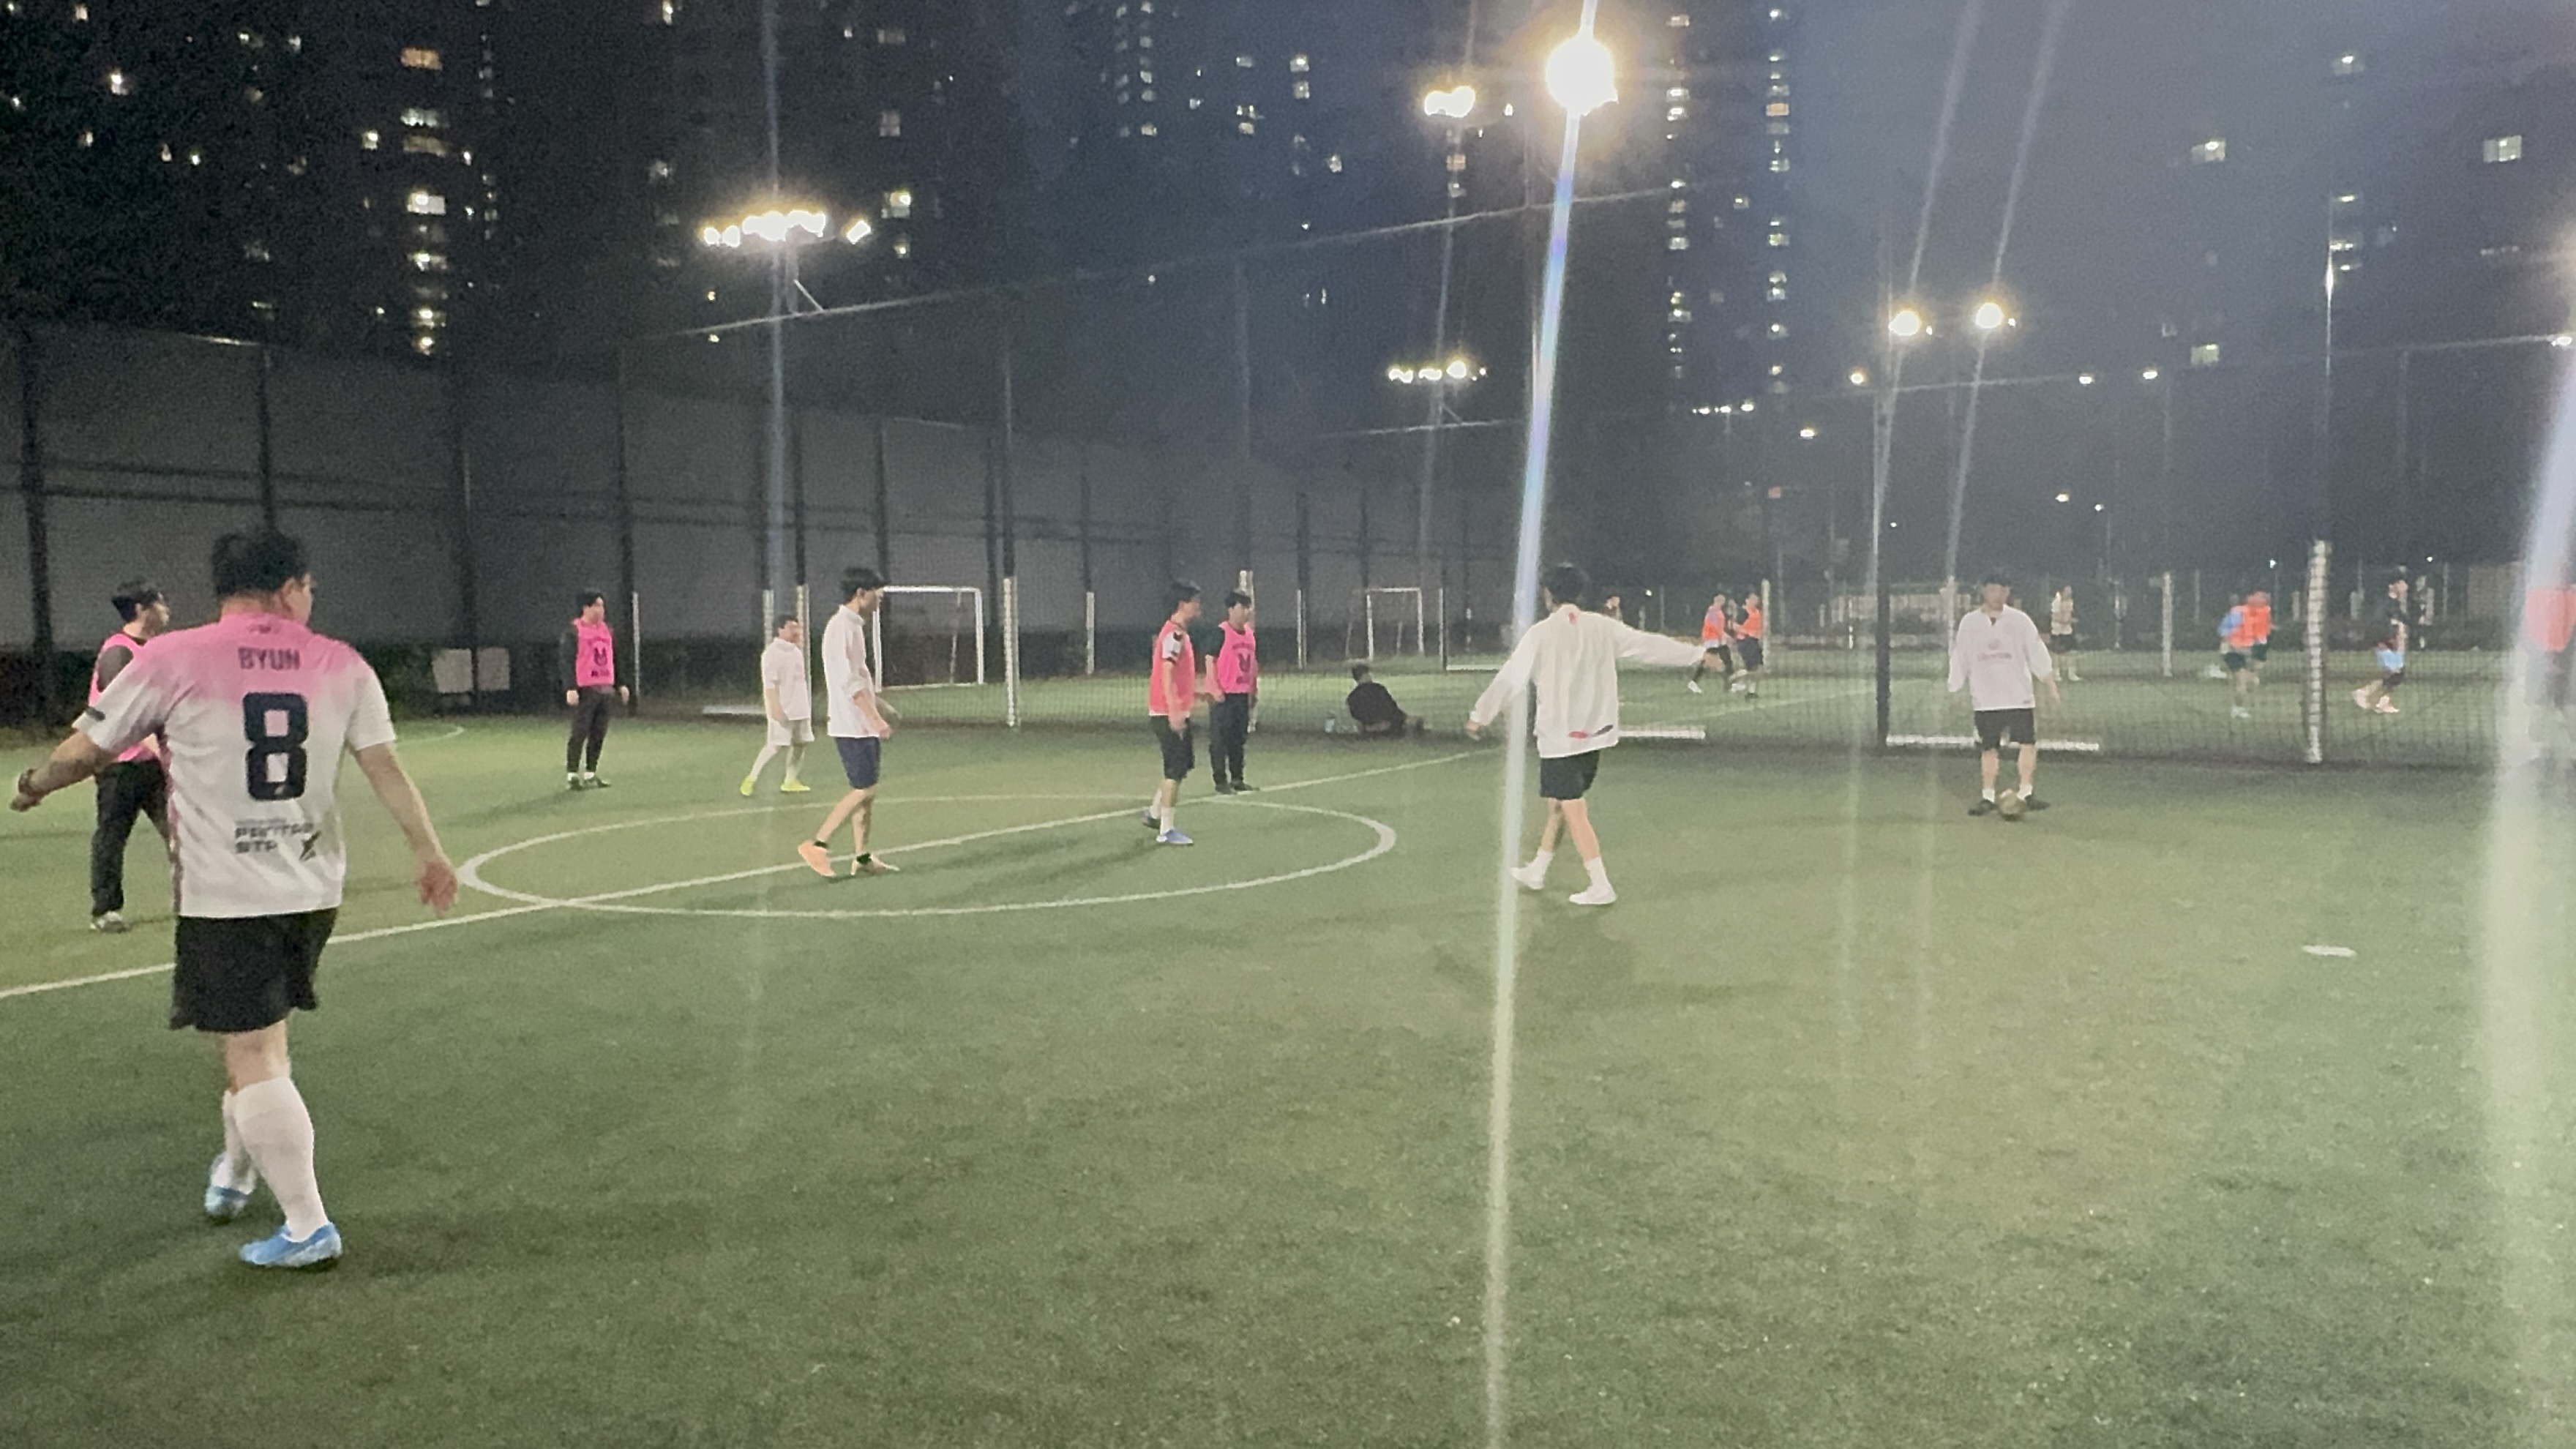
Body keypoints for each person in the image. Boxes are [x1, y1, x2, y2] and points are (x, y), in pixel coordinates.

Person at [12, 530, 457, 1270]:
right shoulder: (342, 663)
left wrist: (34, 784)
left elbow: (90, 748)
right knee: (259, 1043)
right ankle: (238, 1168)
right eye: (309, 588)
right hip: (313, 889)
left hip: (225, 895)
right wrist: (429, 851)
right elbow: (384, 766)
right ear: (288, 588)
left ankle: (307, 1226)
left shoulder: (173, 657)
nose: (311, 601)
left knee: (253, 1054)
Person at [1467, 563, 1704, 906]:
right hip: (1596, 734)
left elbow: (1510, 678)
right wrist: (1697, 653)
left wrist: (1480, 716)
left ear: (1548, 595)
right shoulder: (1601, 626)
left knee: (1573, 809)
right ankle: (1538, 869)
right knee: (1559, 805)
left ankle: (1600, 885)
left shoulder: (1541, 633)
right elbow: (1648, 645)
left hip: (1560, 738)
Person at [86, 578, 174, 932]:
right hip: (119, 766)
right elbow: (127, 715)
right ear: (141, 609)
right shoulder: (118, 652)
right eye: (160, 603)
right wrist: (165, 753)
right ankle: (105, 910)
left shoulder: (155, 649)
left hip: (151, 764)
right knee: (111, 836)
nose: (166, 609)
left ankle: (194, 897)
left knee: (180, 832)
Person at [798, 569, 899, 877]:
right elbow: (849, 683)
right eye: (877, 595)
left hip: (862, 723)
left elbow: (860, 677)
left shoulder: (854, 626)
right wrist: (876, 720)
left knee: (868, 793)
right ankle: (817, 844)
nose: (880, 602)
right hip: (851, 724)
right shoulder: (840, 627)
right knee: (863, 791)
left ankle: (862, 857)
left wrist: (881, 706)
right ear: (860, 594)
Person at [1949, 571, 2062, 818]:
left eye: (2003, 590)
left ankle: (2026, 792)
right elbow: (1961, 655)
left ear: (2008, 593)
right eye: (1993, 590)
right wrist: (1955, 687)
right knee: (1989, 747)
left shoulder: (2020, 621)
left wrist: (2049, 682)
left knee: (2027, 743)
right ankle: (1988, 796)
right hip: (1985, 698)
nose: (1997, 595)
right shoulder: (1970, 623)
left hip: (2018, 695)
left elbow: (2036, 651)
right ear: (1984, 591)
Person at [1140, 581, 1202, 845]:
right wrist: (1174, 709)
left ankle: (1154, 814)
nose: (1198, 607)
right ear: (1183, 604)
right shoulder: (1174, 635)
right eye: (1195, 602)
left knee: (1182, 765)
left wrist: (1197, 692)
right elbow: (1166, 671)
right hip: (1167, 714)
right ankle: (1166, 830)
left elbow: (1178, 674)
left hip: (1173, 711)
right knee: (1174, 770)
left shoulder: (1178, 634)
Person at [560, 591, 629, 789]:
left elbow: (615, 658)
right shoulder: (574, 631)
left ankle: (591, 772)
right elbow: (566, 661)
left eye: (602, 606)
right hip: (585, 688)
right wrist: (570, 687)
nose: (601, 610)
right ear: (586, 608)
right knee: (580, 731)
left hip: (605, 688)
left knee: (599, 733)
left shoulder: (607, 631)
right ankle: (572, 774)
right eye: (597, 605)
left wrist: (621, 684)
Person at [741, 615, 815, 795]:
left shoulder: (796, 652)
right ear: (780, 630)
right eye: (792, 628)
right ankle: (751, 779)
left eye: (797, 628)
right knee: (775, 745)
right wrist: (775, 707)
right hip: (783, 708)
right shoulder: (772, 654)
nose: (796, 631)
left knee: (801, 743)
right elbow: (770, 684)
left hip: (800, 708)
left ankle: (790, 781)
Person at [1209, 590, 1259, 794]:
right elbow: (1210, 660)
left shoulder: (1250, 635)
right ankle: (1221, 781)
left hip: (1242, 694)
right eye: (1242, 607)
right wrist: (1214, 687)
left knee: (1238, 740)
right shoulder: (1221, 633)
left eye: (1248, 608)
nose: (1247, 612)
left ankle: (1238, 778)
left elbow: (1253, 663)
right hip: (1225, 695)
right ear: (1231, 609)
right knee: (1220, 740)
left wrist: (1253, 689)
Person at [2354, 574, 2410, 715]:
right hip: (2385, 641)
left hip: (2394, 642)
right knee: (2395, 674)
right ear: (2392, 586)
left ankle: (2383, 701)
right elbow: (2377, 625)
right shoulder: (2385, 604)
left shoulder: (2395, 604)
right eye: (2401, 583)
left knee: (2395, 674)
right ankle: (2364, 693)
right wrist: (2385, 640)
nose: (2405, 587)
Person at [2223, 588, 2273, 719]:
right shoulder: (2239, 613)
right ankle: (2237, 709)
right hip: (2235, 653)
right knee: (2242, 682)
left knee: (2253, 682)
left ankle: (2222, 677)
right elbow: (2228, 632)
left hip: (2246, 653)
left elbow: (2261, 639)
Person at [1345, 664, 1422, 737]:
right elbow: (1392, 709)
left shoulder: (1352, 698)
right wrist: (1405, 717)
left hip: (1368, 728)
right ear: (1365, 675)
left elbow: (1356, 717)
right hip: (1387, 725)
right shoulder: (1378, 689)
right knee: (1417, 721)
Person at [1686, 593, 1734, 694]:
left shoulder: (1717, 612)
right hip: (1712, 639)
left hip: (1714, 639)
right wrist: (1721, 638)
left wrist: (1724, 636)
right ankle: (1729, 684)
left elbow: (1719, 627)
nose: (1721, 603)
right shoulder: (1713, 612)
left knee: (1709, 662)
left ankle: (1694, 683)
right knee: (1715, 662)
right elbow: (1715, 627)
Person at [1733, 588, 1766, 697]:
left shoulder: (1757, 612)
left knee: (1759, 668)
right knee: (1752, 668)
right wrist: (1748, 633)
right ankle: (1737, 678)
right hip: (1745, 642)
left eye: (1756, 599)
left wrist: (1760, 634)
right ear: (1747, 600)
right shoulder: (1744, 612)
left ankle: (1751, 691)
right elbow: (1735, 626)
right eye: (1753, 598)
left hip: (1754, 642)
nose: (1756, 600)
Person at [2049, 585, 2081, 682]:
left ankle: (2072, 674)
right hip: (2057, 632)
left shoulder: (2070, 602)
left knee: (2072, 652)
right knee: (2056, 654)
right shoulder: (2056, 602)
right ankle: (2056, 674)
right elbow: (2056, 617)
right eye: (2067, 590)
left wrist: (2068, 620)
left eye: (2070, 591)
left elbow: (2068, 616)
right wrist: (2067, 620)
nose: (2069, 593)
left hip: (2067, 631)